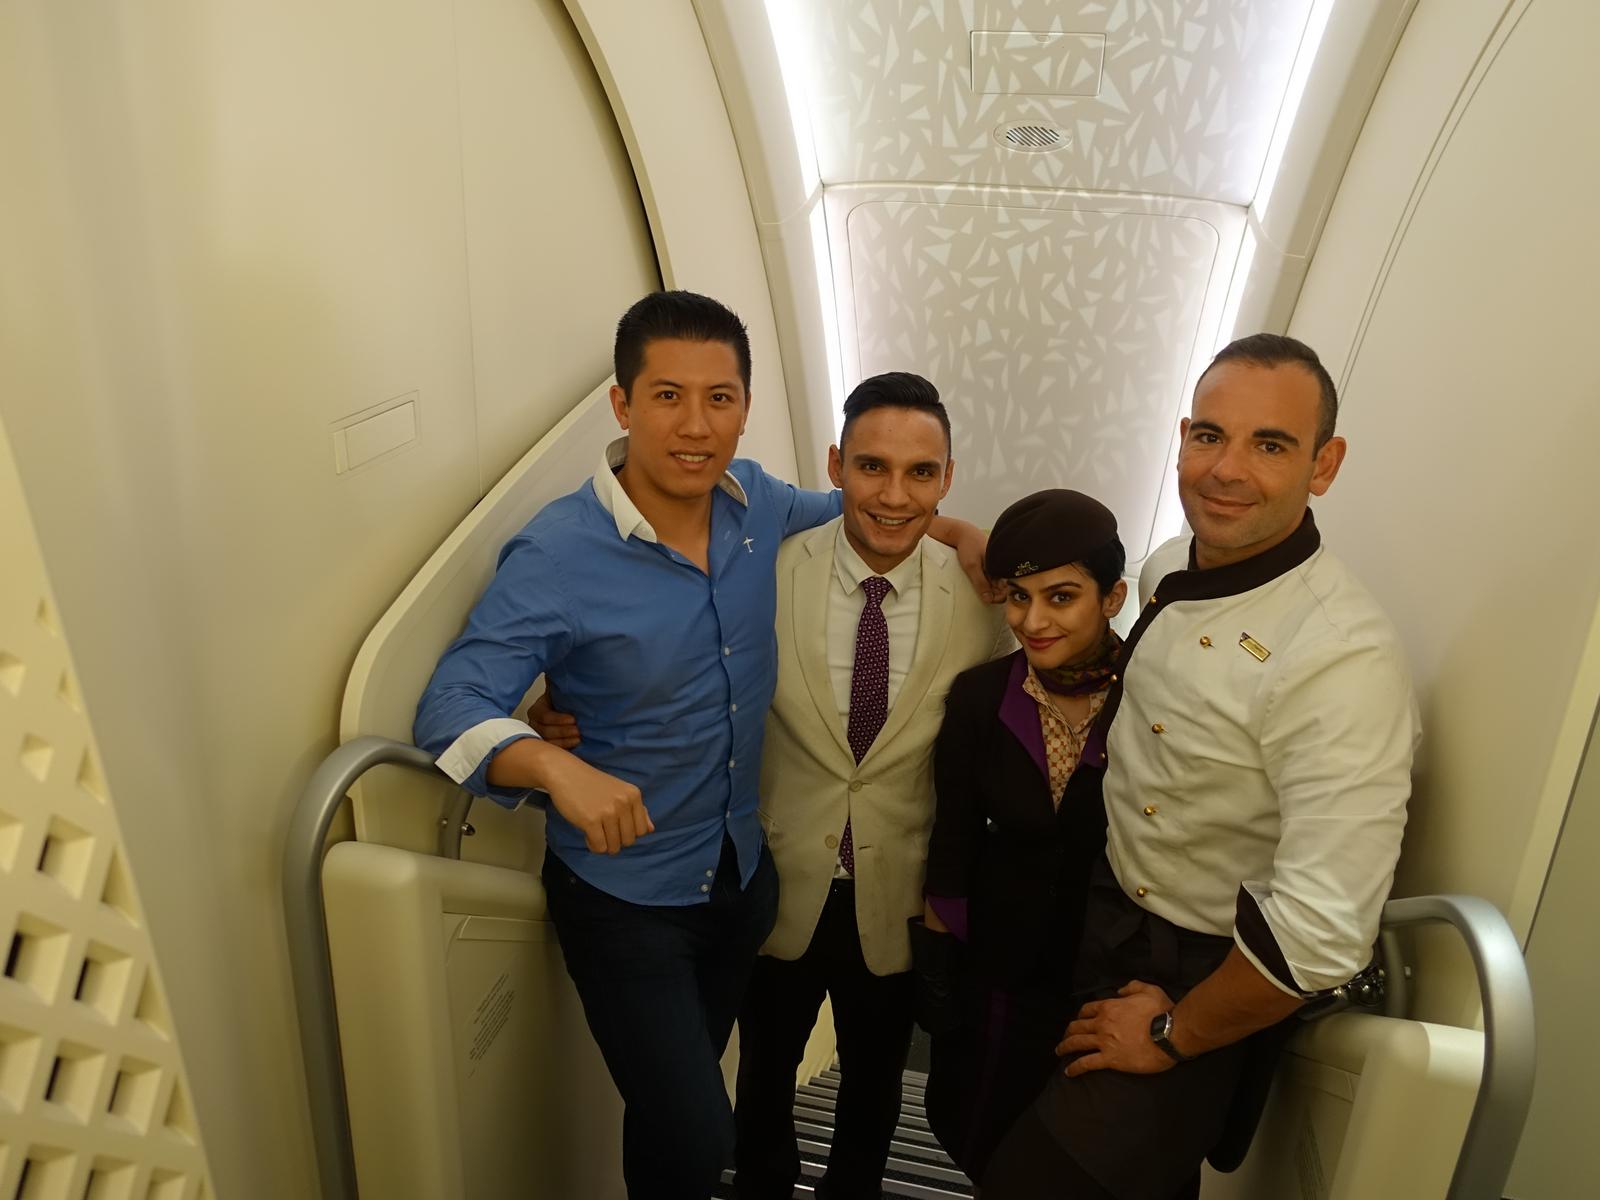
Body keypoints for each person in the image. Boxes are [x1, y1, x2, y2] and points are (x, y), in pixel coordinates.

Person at [415, 292, 985, 1200]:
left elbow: (879, 514)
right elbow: (448, 707)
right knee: (697, 1126)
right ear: (622, 404)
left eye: (720, 398)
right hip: (625, 896)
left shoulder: (760, 504)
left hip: (740, 881)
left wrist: (977, 543)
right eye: (669, 395)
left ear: (745, 409)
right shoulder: (559, 551)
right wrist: (551, 763)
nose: (695, 424)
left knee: (668, 1114)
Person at [979, 333, 1421, 1199]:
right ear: (1182, 438)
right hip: (1111, 919)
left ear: (1324, 465)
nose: (1226, 469)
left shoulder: (1341, 657)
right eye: (1211, 435)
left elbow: (1323, 929)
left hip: (1207, 972)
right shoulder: (1166, 566)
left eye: (1271, 445)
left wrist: (1175, 1031)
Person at [728, 373, 1010, 1200]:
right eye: (871, 467)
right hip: (779, 877)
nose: (894, 494)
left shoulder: (984, 598)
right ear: (835, 466)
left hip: (898, 889)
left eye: (921, 473)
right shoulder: (768, 570)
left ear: (947, 479)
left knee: (877, 1084)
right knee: (766, 1070)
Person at [918, 489, 1127, 1182]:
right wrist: (939, 971)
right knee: (985, 1137)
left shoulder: (1154, 701)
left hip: (1105, 988)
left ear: (1113, 597)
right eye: (1016, 597)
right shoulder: (981, 698)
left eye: (1060, 597)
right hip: (1000, 977)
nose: (1031, 622)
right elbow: (951, 840)